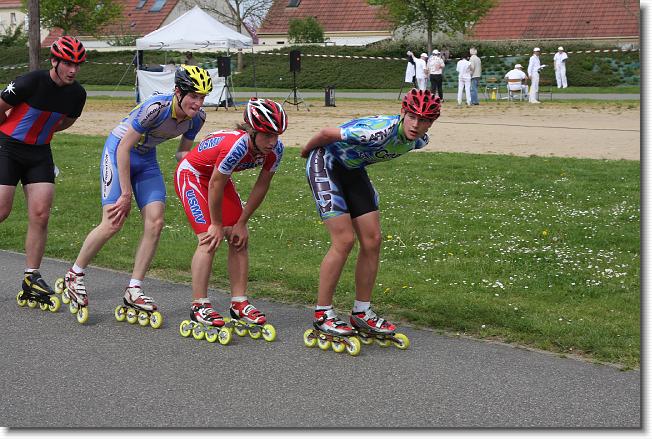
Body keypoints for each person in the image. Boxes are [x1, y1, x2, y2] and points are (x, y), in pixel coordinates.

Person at [62, 65, 212, 322]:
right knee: (113, 221)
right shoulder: (156, 108)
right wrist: (125, 194)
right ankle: (74, 274)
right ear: (178, 92)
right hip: (118, 152)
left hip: (146, 159)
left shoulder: (197, 118)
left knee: (156, 222)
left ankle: (134, 288)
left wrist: (204, 166)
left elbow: (182, 153)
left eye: (202, 97)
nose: (198, 103)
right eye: (193, 96)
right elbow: (123, 147)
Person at [300, 88, 440, 346]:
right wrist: (305, 152)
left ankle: (361, 312)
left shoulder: (419, 140)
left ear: (432, 122)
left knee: (373, 240)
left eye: (424, 120)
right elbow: (325, 134)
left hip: (352, 170)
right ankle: (323, 313)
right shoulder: (378, 131)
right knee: (344, 240)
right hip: (325, 162)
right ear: (403, 113)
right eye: (412, 117)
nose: (416, 125)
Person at [174, 98, 287, 331]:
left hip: (217, 180)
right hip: (193, 175)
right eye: (267, 135)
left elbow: (262, 185)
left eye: (276, 135)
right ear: (252, 131)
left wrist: (242, 222)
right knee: (209, 238)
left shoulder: (276, 150)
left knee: (238, 238)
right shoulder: (237, 146)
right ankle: (199, 305)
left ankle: (239, 303)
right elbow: (215, 184)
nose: (273, 141)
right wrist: (216, 224)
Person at [0, 36, 87, 306]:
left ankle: (31, 278)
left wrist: (41, 132)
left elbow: (66, 122)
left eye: (77, 65)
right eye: (68, 63)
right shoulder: (30, 82)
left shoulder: (77, 94)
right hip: (8, 147)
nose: (73, 70)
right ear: (54, 61)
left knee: (41, 214)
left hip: (39, 153)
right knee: (2, 210)